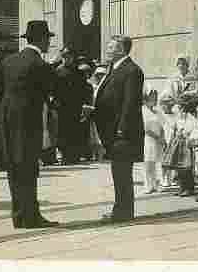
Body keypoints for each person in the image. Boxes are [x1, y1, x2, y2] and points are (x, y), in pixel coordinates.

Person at [0, 20, 59, 229]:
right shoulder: (39, 64)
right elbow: (51, 89)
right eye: (48, 38)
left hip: (7, 121)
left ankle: (18, 215)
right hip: (28, 123)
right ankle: (31, 216)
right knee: (29, 169)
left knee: (14, 169)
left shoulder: (9, 61)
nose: (49, 43)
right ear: (41, 39)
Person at [93, 35, 145, 223]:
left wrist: (122, 130)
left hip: (122, 133)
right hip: (112, 131)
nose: (107, 50)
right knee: (119, 173)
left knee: (122, 173)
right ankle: (121, 209)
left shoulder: (132, 71)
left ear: (121, 50)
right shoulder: (114, 69)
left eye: (111, 47)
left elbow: (130, 104)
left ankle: (123, 211)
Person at [52, 46, 88, 165]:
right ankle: (65, 154)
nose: (66, 59)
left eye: (69, 57)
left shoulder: (79, 72)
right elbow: (53, 89)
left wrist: (84, 104)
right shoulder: (58, 71)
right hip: (61, 106)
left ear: (73, 57)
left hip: (75, 106)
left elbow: (83, 90)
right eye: (64, 57)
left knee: (75, 130)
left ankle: (74, 155)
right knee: (62, 131)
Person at [162, 94, 198, 196]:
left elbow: (192, 129)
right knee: (179, 166)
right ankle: (182, 187)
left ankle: (189, 188)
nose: (177, 109)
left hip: (186, 144)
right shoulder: (178, 118)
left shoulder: (190, 118)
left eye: (179, 107)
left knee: (186, 166)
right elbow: (174, 127)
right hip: (177, 143)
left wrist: (184, 133)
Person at [142, 87, 165, 193]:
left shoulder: (158, 112)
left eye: (156, 98)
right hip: (148, 140)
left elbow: (162, 126)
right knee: (148, 163)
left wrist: (162, 138)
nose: (154, 100)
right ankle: (148, 185)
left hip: (158, 140)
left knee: (157, 163)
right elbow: (145, 129)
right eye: (152, 98)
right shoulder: (143, 111)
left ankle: (156, 184)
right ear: (146, 99)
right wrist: (157, 137)